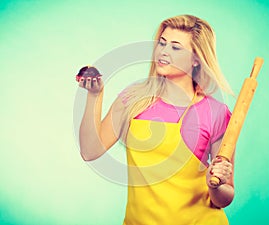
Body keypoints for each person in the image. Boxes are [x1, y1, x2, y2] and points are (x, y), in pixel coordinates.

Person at [78, 14, 235, 225]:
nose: (163, 52)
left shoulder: (215, 112)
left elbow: (225, 197)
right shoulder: (134, 99)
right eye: (162, 43)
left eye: (176, 47)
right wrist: (95, 95)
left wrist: (215, 186)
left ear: (196, 59)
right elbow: (89, 151)